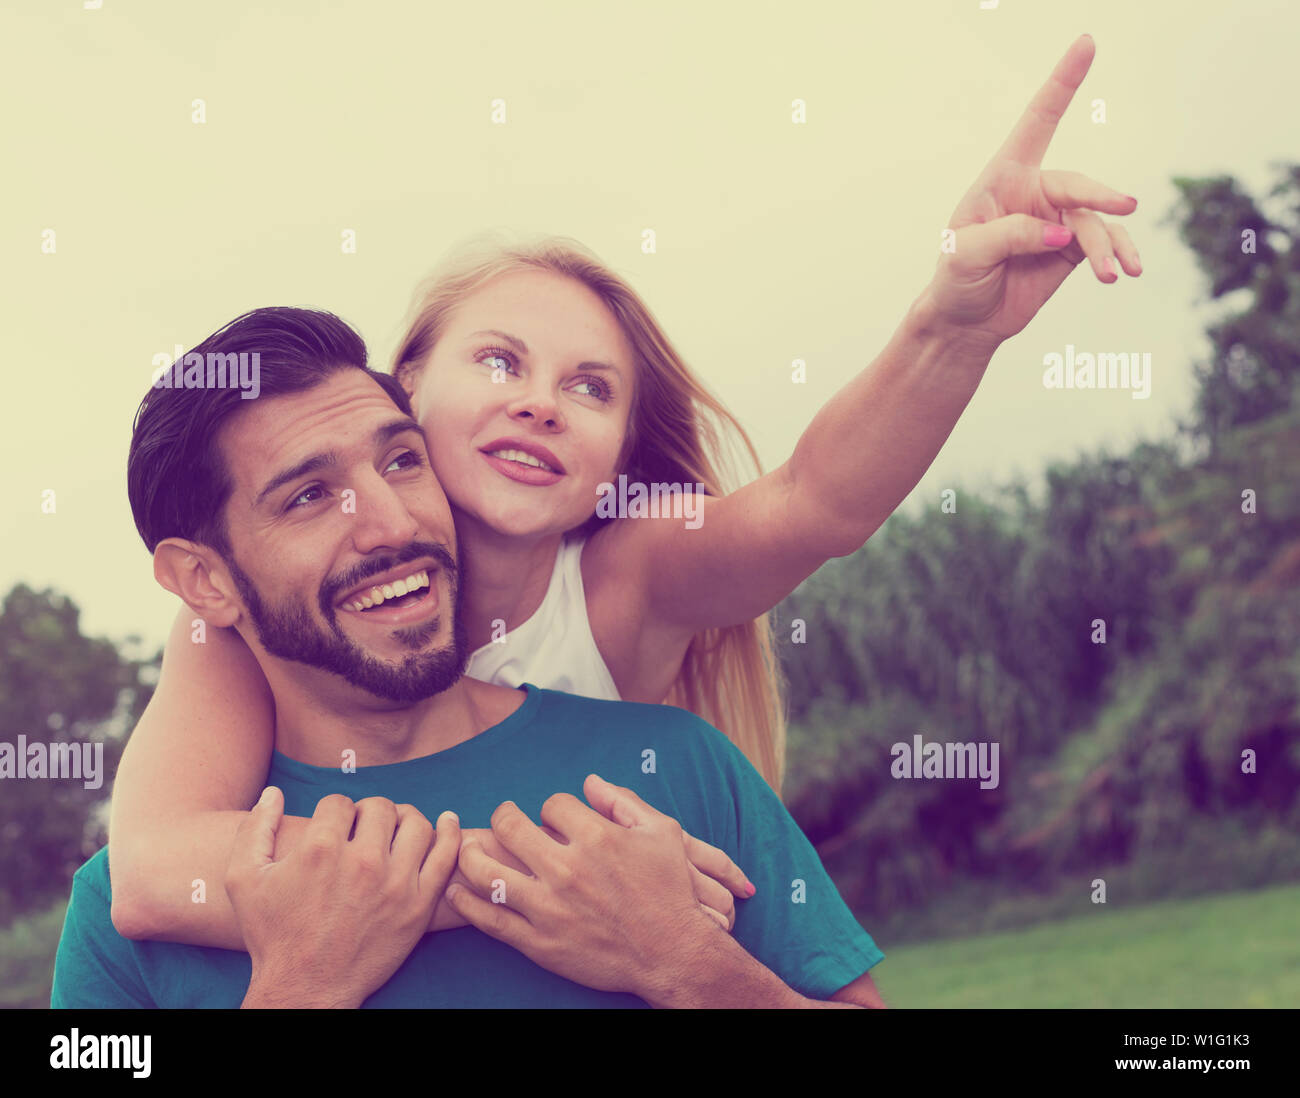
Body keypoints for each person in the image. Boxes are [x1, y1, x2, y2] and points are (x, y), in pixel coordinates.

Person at [107, 33, 1140, 952]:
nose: (542, 404)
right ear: (404, 386)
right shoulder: (261, 611)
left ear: (616, 459)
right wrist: (543, 884)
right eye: (500, 362)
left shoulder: (622, 578)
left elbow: (817, 502)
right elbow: (152, 873)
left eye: (589, 389)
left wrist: (950, 326)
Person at [52, 308, 885, 1007]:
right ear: (203, 582)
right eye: (308, 497)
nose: (392, 523)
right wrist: (299, 989)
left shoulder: (672, 769)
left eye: (402, 461)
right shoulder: (131, 914)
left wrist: (693, 968)